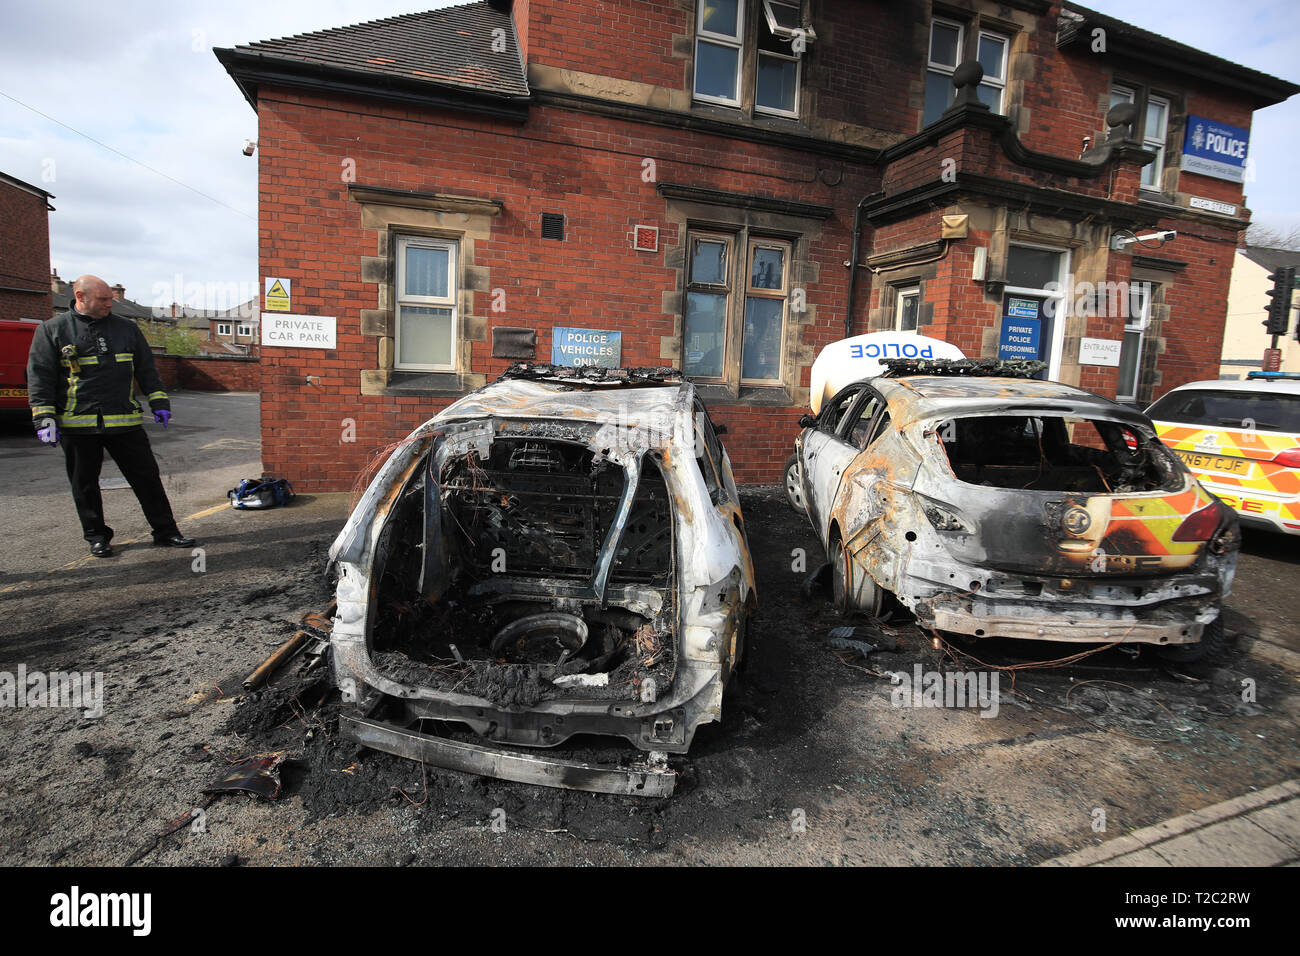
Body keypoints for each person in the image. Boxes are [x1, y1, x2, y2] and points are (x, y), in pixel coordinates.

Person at [27, 275, 196, 557]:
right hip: (77, 424)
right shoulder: (52, 330)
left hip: (125, 422)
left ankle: (166, 531)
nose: (109, 304)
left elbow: (146, 370)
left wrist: (159, 402)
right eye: (103, 300)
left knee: (147, 479)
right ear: (80, 296)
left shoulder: (126, 329)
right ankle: (96, 537)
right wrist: (43, 418)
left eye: (110, 299)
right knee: (84, 485)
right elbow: (40, 378)